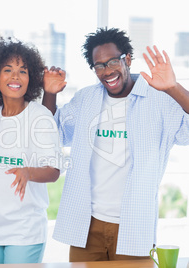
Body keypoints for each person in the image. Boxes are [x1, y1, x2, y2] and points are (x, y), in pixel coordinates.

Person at [42, 27, 189, 261]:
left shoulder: (159, 99)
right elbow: (51, 134)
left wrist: (173, 87)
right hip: (87, 225)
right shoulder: (86, 99)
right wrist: (49, 94)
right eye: (98, 65)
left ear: (127, 59)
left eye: (112, 62)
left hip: (134, 225)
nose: (106, 71)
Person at [0, 37, 63, 264]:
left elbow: (53, 171)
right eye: (8, 70)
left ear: (30, 78)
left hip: (25, 231)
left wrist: (28, 172)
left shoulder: (39, 116)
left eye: (22, 71)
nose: (15, 76)